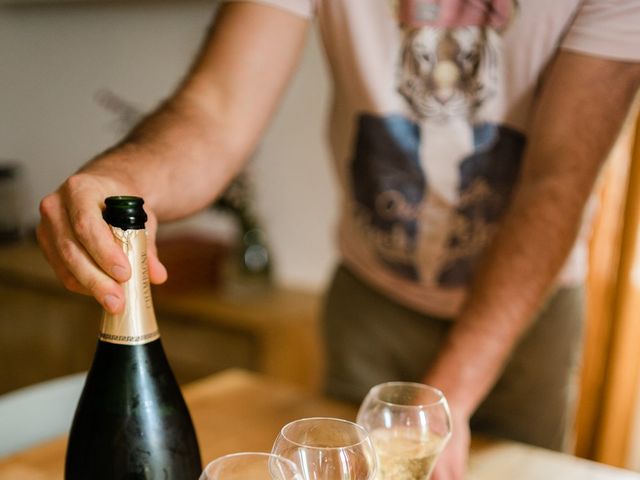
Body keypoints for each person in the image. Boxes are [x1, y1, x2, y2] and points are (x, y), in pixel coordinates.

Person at [36, 1, 640, 478]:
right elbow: (216, 109)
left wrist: (430, 415)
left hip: (523, 322)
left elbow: (558, 181)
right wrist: (121, 180)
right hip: (369, 299)